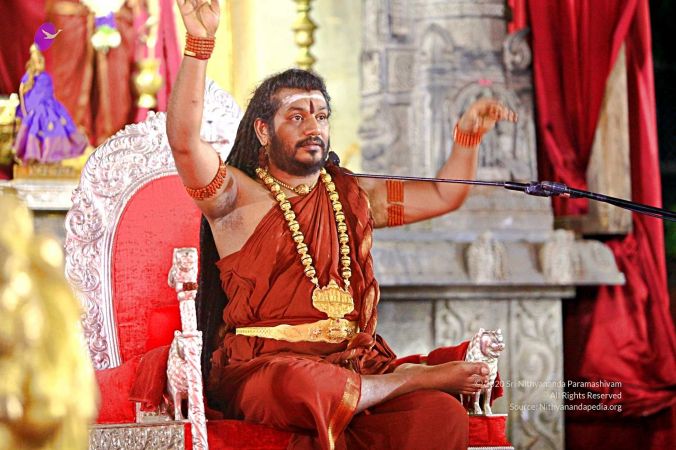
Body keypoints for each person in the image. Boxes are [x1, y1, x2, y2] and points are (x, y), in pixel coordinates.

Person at [167, 1, 517, 449]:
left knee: (439, 413)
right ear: (262, 131)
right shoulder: (236, 198)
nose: (313, 126)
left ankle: (391, 387)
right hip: (266, 369)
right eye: (297, 116)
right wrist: (199, 45)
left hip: (351, 364)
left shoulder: (351, 196)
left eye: (321, 115)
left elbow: (443, 195)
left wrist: (466, 139)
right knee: (303, 385)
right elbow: (183, 143)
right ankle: (412, 378)